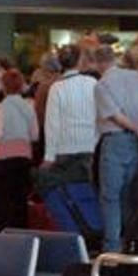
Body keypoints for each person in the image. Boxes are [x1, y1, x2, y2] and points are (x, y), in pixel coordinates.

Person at [95, 45, 138, 252]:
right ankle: (131, 243)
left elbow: (115, 116)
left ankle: (113, 248)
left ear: (98, 63)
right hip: (135, 144)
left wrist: (136, 128)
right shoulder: (135, 77)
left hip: (114, 141)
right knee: (128, 193)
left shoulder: (102, 85)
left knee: (110, 196)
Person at [0, 69, 38, 230]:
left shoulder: (0, 107)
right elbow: (35, 134)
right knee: (20, 197)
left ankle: (2, 228)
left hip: (3, 156)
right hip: (24, 155)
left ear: (4, 86)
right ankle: (20, 228)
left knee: (3, 197)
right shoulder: (29, 106)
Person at [41, 44, 98, 181]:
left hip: (64, 148)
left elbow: (52, 124)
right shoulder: (93, 83)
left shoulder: (56, 88)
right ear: (79, 61)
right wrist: (95, 140)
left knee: (67, 193)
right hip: (88, 145)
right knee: (86, 193)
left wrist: (49, 156)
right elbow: (100, 116)